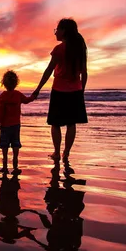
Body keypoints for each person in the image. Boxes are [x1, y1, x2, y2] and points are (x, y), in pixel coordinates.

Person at [31, 18, 88, 169]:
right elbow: (85, 73)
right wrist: (81, 91)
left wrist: (38, 89)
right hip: (75, 90)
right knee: (71, 124)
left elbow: (49, 71)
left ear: (64, 31)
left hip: (59, 90)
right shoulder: (80, 48)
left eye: (57, 29)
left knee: (55, 123)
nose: (56, 32)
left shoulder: (59, 49)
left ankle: (57, 152)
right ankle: (66, 153)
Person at [0, 70, 35, 174]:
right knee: (15, 143)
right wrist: (33, 96)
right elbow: (26, 100)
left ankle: (5, 166)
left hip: (5, 125)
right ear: (16, 82)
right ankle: (15, 166)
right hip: (16, 125)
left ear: (3, 83)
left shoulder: (3, 96)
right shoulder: (18, 95)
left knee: (4, 145)